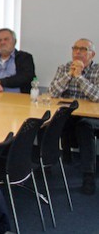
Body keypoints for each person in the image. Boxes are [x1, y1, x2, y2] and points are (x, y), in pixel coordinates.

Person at [48, 38, 99, 195]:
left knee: (84, 126)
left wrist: (79, 77)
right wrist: (69, 75)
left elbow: (97, 96)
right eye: (75, 48)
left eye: (83, 49)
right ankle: (47, 165)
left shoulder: (97, 71)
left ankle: (88, 175)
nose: (77, 52)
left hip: (91, 117)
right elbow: (52, 92)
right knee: (48, 122)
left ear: (92, 54)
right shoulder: (64, 68)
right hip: (69, 114)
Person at [0, 28, 36, 93]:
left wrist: (0, 82)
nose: (2, 42)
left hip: (17, 99)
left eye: (6, 39)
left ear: (14, 42)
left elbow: (25, 77)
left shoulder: (24, 58)